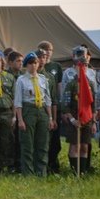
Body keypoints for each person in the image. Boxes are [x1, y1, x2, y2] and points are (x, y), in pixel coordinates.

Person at [14, 52, 53, 176]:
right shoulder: (21, 80)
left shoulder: (43, 79)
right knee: (27, 143)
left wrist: (50, 117)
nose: (33, 65)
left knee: (43, 142)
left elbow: (48, 99)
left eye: (35, 62)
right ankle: (28, 172)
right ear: (26, 65)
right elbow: (18, 101)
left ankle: (41, 171)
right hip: (28, 110)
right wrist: (20, 119)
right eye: (30, 63)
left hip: (41, 110)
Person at [62, 45, 97, 174]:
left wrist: (93, 121)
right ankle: (74, 172)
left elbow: (93, 102)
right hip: (74, 117)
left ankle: (83, 171)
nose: (81, 67)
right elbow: (65, 103)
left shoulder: (91, 82)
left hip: (87, 118)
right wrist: (71, 119)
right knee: (74, 145)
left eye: (84, 65)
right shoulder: (70, 80)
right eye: (79, 65)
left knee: (84, 146)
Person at [37, 41, 63, 174]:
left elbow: (58, 88)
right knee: (42, 139)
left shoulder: (56, 66)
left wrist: (59, 105)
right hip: (39, 107)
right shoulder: (35, 67)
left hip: (54, 107)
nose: (47, 52)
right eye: (43, 50)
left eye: (49, 50)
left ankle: (53, 165)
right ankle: (42, 166)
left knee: (54, 140)